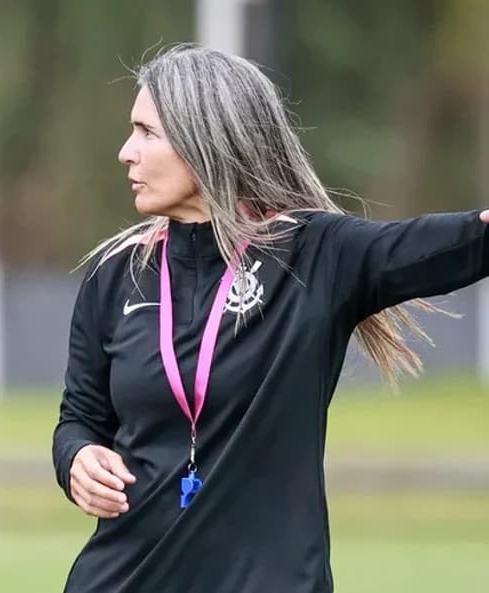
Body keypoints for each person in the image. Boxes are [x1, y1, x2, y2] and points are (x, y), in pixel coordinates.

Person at [52, 43, 488, 593]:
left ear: (204, 140)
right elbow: (79, 419)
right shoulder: (116, 273)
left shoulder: (315, 255)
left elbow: (458, 242)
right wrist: (78, 459)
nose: (125, 152)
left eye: (146, 133)